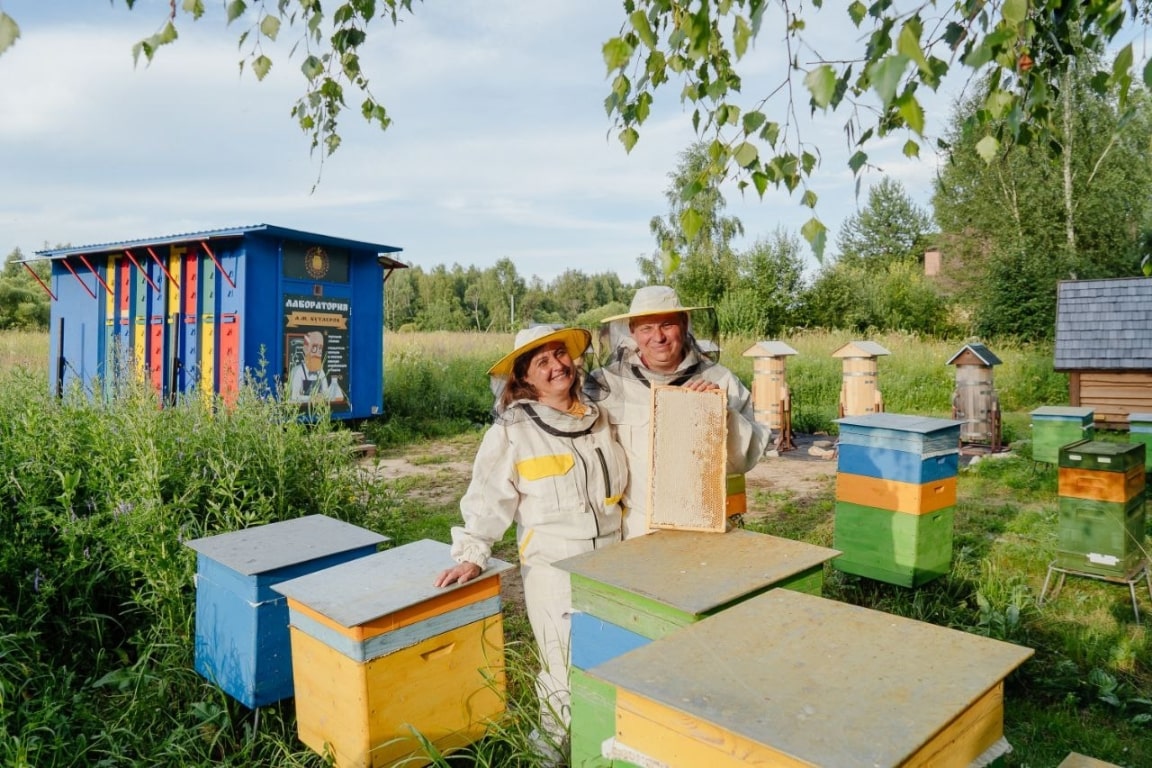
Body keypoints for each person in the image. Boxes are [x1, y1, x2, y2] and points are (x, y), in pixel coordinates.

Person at [433, 324, 627, 762]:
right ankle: (545, 755)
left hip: (616, 557)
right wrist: (472, 551)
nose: (558, 365)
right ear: (525, 378)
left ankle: (603, 750)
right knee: (561, 672)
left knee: (614, 660)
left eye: (560, 355)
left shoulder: (599, 417)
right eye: (543, 362)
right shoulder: (512, 432)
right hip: (554, 565)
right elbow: (488, 498)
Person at [588, 285, 769, 539]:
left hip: (706, 523)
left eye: (667, 325)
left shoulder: (721, 379)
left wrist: (720, 413)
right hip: (636, 528)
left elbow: (747, 458)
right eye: (646, 328)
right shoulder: (606, 384)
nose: (658, 337)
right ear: (633, 331)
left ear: (684, 324)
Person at [288, 330, 345, 403]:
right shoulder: (298, 371)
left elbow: (326, 394)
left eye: (320, 349)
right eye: (314, 348)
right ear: (305, 349)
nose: (318, 353)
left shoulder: (321, 372)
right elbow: (294, 397)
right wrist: (313, 398)